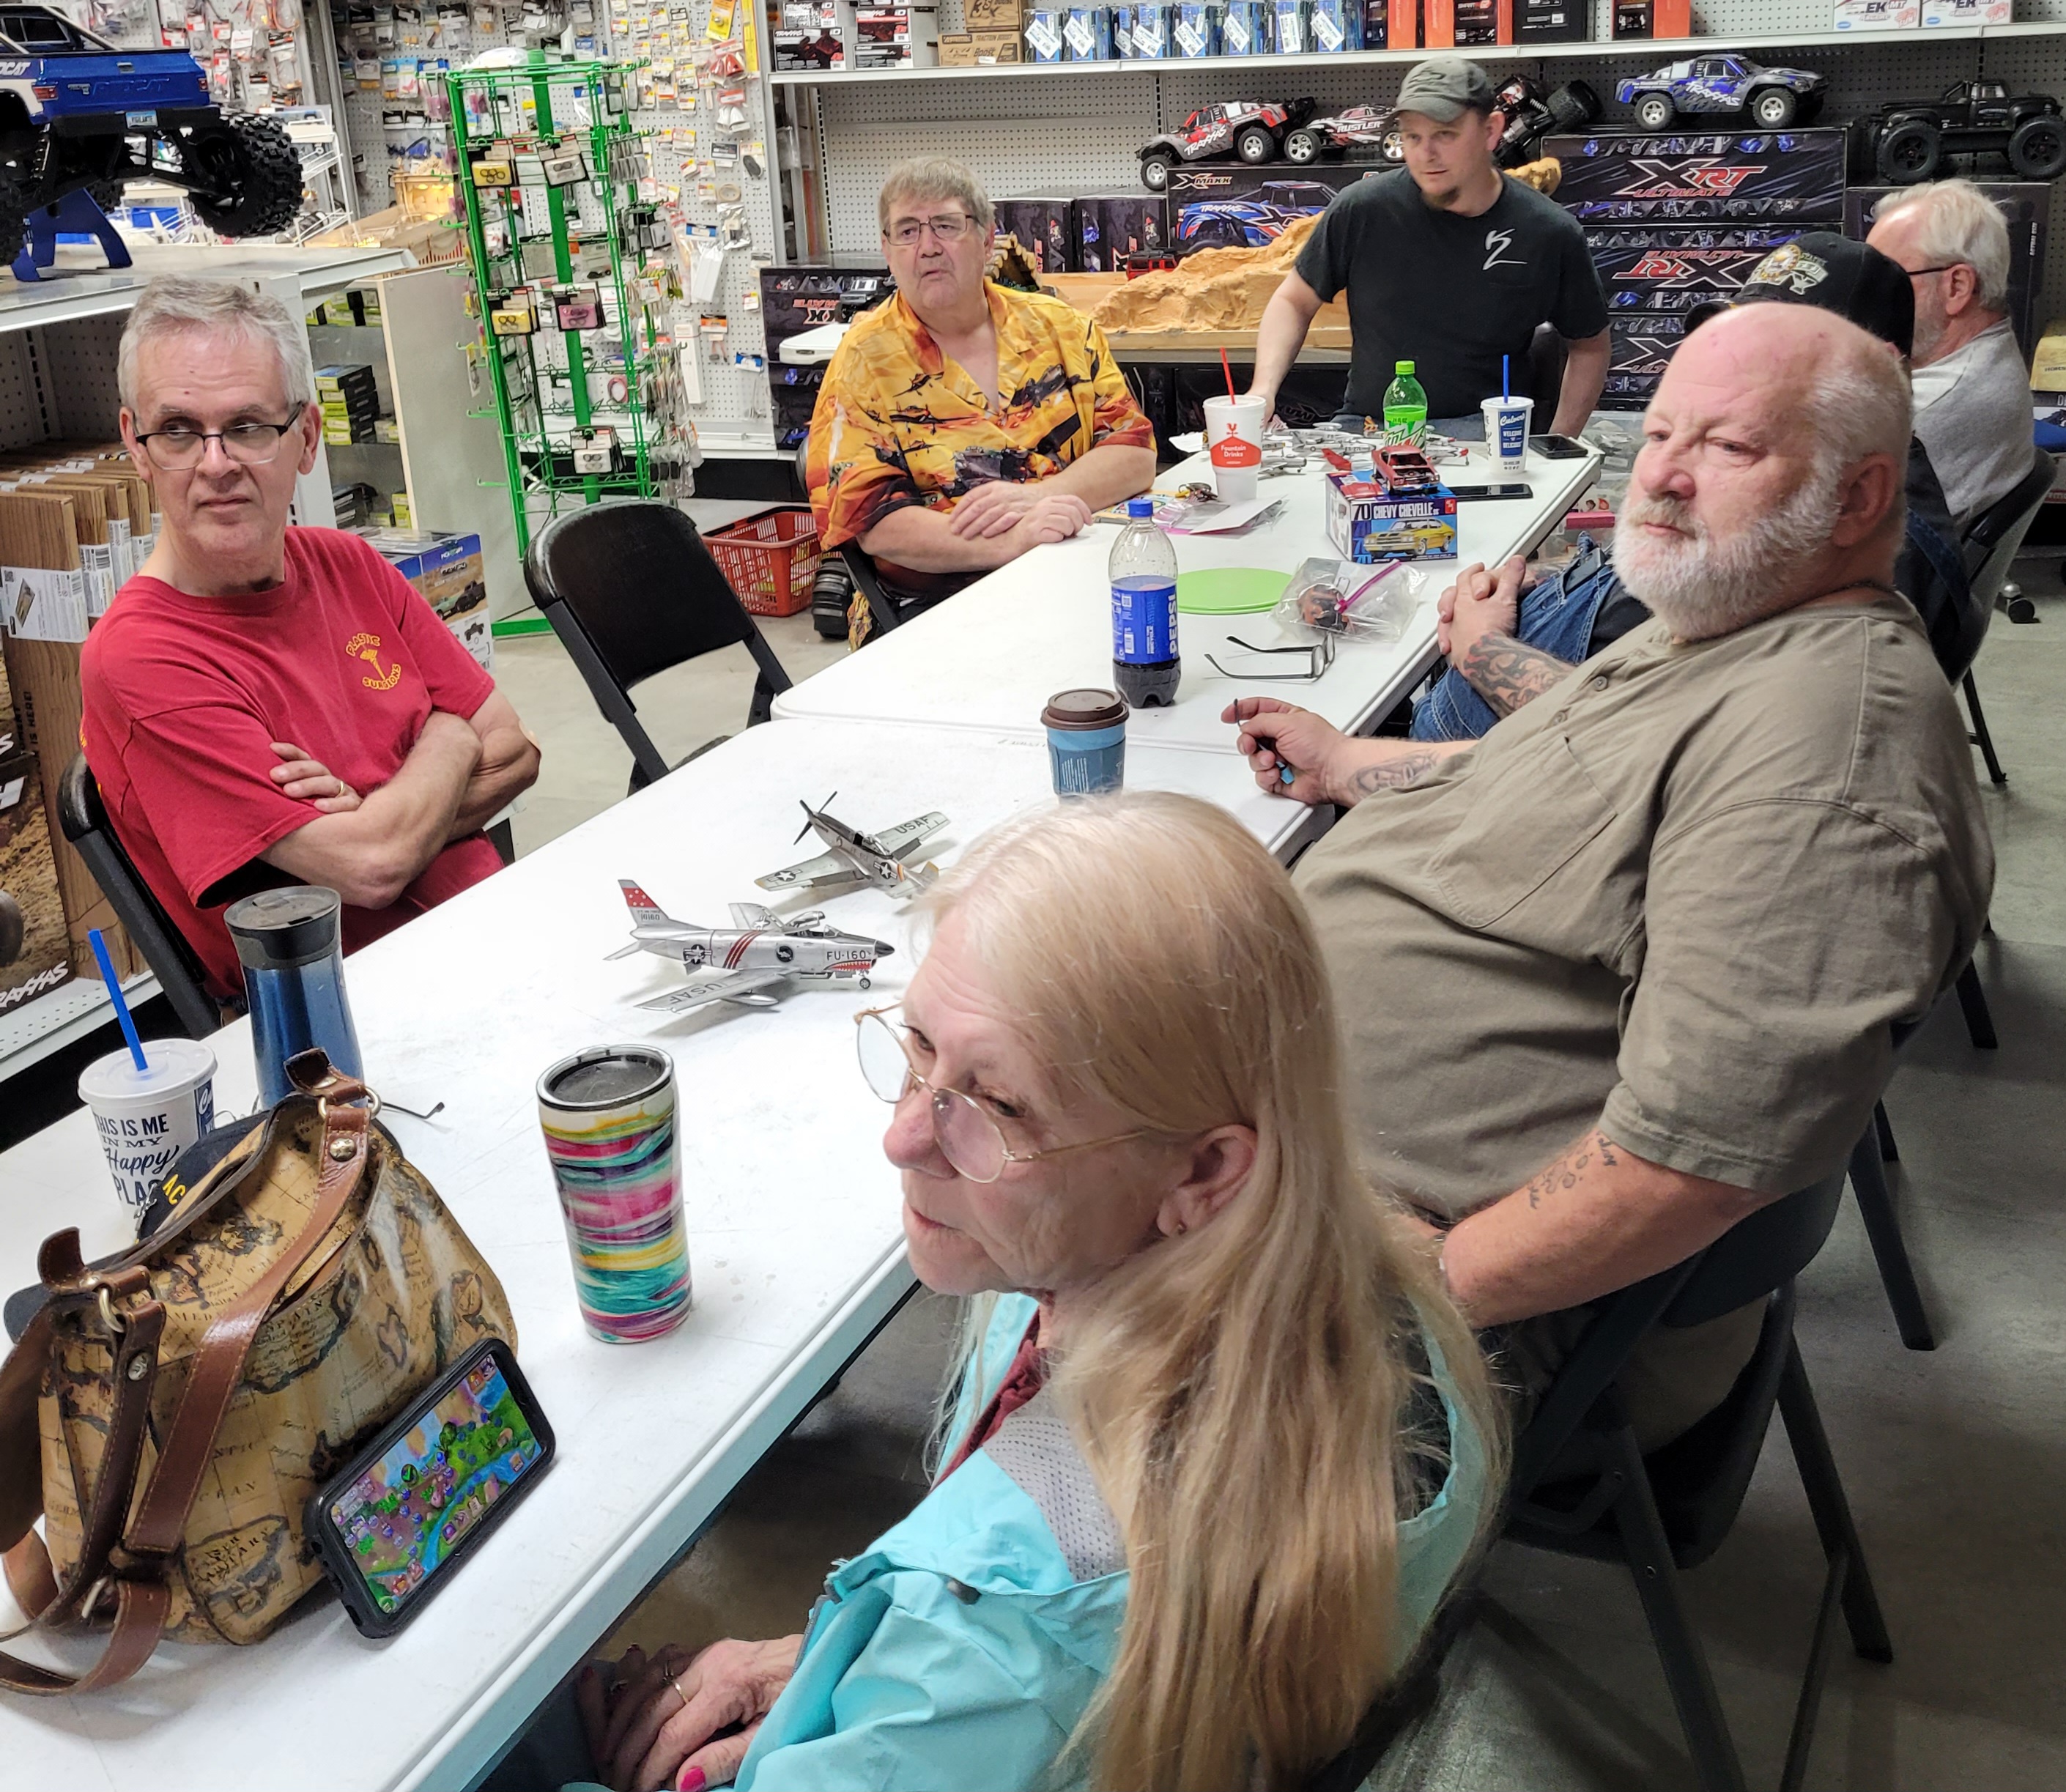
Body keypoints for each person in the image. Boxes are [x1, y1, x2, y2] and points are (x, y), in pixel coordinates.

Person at [571, 795, 1500, 1792]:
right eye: (917, 1046)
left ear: (1202, 1172)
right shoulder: (1373, 1301)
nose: (903, 1138)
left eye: (1003, 1104)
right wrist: (853, 1664)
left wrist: (923, 1674)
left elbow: (1030, 1649)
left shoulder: (995, 1641)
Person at [1227, 303, 1993, 1447]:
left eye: (1727, 446)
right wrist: (1347, 763)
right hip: (1309, 1164)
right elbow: (1539, 770)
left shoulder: (1828, 762)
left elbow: (1692, 1164)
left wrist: (1418, 1287)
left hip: (1449, 1310)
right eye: (1663, 432)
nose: (1663, 476)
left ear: (1857, 498)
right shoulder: (1727, 626)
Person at [81, 278, 541, 1002]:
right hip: (359, 1015)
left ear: (306, 438)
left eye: (248, 425)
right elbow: (374, 866)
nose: (215, 464)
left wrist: (378, 811)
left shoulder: (347, 563)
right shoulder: (141, 655)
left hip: (503, 937)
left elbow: (517, 752)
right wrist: (450, 738)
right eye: (178, 431)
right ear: (137, 447)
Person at [1412, 232, 1974, 741]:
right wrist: (1539, 583)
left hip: (1493, 762)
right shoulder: (1808, 469)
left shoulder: (1880, 553)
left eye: (1773, 349)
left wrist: (1484, 650)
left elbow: (1671, 744)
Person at [807, 158, 1157, 643]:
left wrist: (1040, 497)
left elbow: (1134, 455)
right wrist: (1013, 542)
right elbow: (875, 524)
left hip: (1079, 581)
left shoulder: (1063, 328)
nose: (928, 247)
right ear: (887, 251)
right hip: (934, 618)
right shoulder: (864, 361)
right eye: (907, 231)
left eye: (946, 225)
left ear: (988, 239)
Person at [1245, 56, 1610, 437]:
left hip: (1486, 433)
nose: (1425, 153)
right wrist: (1263, 391)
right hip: (1368, 428)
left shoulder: (1548, 231)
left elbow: (1590, 346)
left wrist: (1559, 444)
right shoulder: (1362, 210)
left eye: (1445, 134)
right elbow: (1293, 301)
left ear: (1491, 131)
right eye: (1412, 137)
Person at [1867, 179, 2034, 527]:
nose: (1872, 296)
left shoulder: (1925, 412)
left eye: (1888, 278)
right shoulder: (1989, 350)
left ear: (1956, 287)